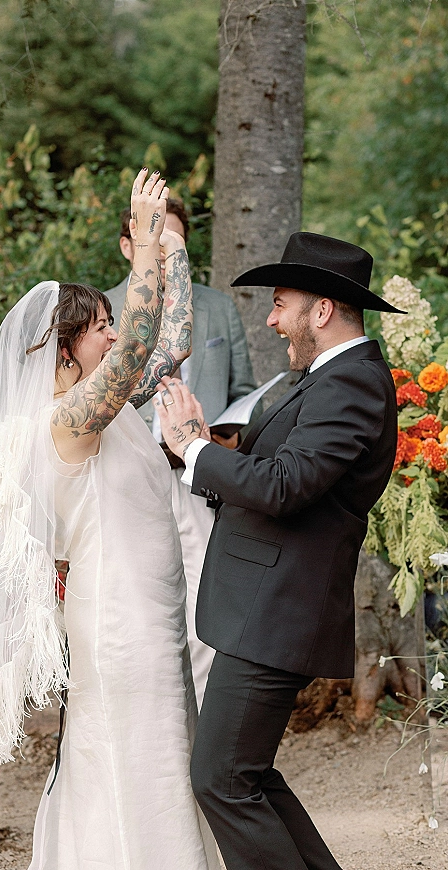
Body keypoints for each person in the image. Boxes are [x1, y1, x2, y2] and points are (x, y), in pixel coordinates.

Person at [0, 168, 219, 870]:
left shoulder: (108, 405)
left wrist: (172, 242)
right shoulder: (69, 421)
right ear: (66, 349)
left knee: (156, 757)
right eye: (100, 328)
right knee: (137, 761)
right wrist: (144, 242)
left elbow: (171, 337)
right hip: (117, 626)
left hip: (147, 615)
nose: (114, 335)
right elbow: (139, 344)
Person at [155, 231, 405, 870]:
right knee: (248, 774)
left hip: (279, 608)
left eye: (280, 303)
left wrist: (195, 449)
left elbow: (288, 486)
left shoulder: (352, 383)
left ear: (320, 310)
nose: (270, 319)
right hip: (264, 603)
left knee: (222, 779)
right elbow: (276, 469)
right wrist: (207, 452)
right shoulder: (324, 377)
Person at [106, 199, 255, 706]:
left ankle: (206, 724)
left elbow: (244, 393)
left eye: (174, 246)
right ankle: (152, 710)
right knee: (137, 601)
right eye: (155, 246)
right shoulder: (103, 316)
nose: (167, 259)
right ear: (129, 247)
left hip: (199, 478)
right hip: (128, 479)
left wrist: (227, 440)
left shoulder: (218, 306)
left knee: (205, 601)